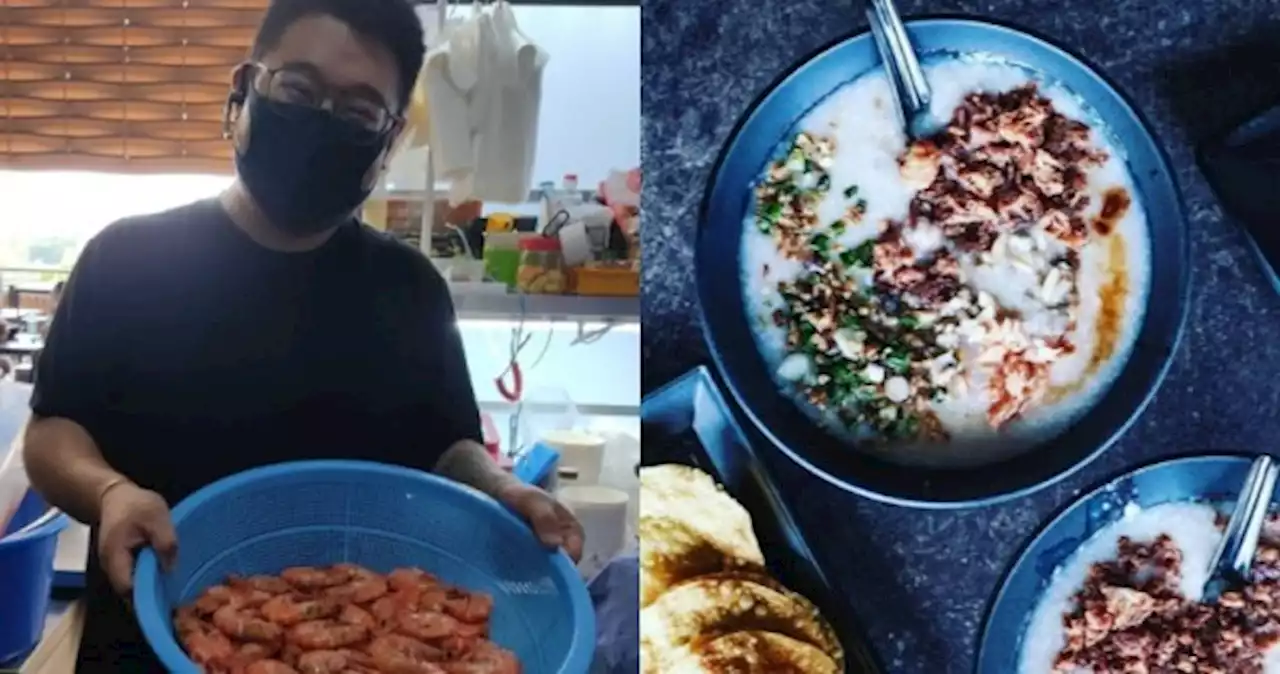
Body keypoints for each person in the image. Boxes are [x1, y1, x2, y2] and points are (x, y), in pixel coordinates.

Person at [20, 1, 584, 671]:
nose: (322, 120)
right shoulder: (127, 258)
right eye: (298, 89)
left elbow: (447, 445)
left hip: (359, 644)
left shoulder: (409, 289)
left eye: (357, 111)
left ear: (391, 137)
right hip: (144, 643)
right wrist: (111, 492)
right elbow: (52, 434)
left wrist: (501, 487)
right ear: (245, 86)